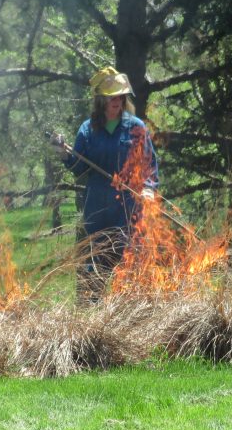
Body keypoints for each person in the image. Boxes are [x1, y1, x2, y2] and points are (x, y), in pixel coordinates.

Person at [50, 66, 158, 302]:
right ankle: (91, 317)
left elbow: (148, 163)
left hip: (129, 206)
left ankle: (130, 314)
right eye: (111, 97)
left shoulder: (136, 127)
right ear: (100, 100)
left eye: (120, 96)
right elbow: (79, 168)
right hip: (97, 207)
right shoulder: (88, 130)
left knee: (130, 261)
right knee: (96, 265)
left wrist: (148, 188)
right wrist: (64, 154)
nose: (117, 101)